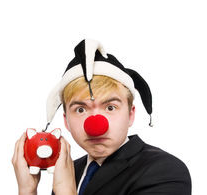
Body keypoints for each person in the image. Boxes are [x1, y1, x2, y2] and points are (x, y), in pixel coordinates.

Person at [11, 39, 191, 195]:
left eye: (110, 107)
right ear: (66, 121)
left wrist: (66, 191)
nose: (95, 124)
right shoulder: (69, 170)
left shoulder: (166, 171)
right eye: (81, 110)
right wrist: (28, 191)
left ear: (130, 115)